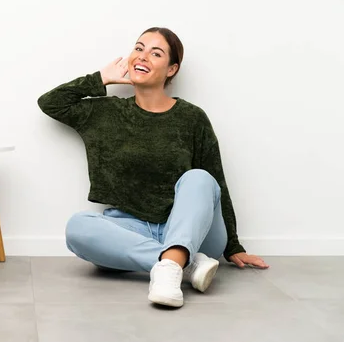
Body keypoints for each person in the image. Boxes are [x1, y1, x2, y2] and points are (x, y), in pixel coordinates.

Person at [37, 27, 269, 308]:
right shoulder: (104, 113)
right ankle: (182, 263)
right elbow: (50, 103)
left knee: (199, 178)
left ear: (171, 69)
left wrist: (233, 246)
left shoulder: (191, 117)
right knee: (78, 227)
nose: (142, 56)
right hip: (130, 230)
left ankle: (173, 261)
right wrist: (101, 79)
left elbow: (215, 182)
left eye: (155, 53)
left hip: (193, 230)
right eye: (138, 48)